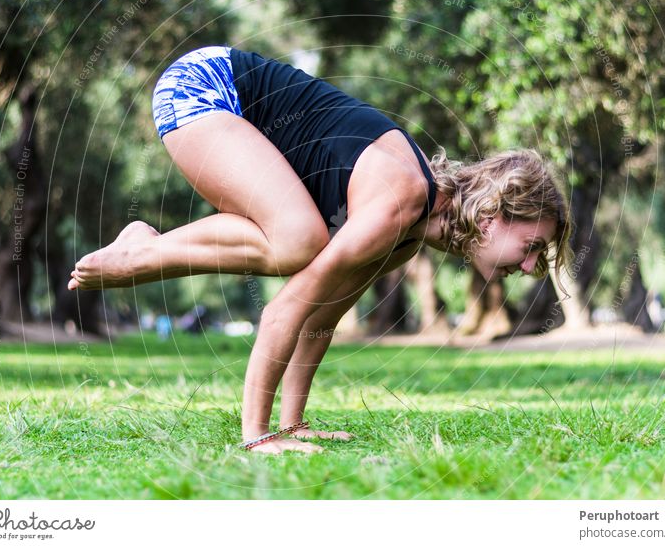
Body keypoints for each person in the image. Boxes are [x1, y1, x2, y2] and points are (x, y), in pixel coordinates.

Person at [67, 46, 573, 454]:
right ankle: (144, 252)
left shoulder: (407, 237)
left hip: (218, 102)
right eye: (531, 247)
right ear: (493, 212)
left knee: (302, 244)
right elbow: (287, 306)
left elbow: (320, 315)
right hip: (202, 86)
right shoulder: (402, 199)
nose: (530, 267)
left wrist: (293, 425)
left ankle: (147, 247)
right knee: (299, 241)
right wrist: (258, 435)